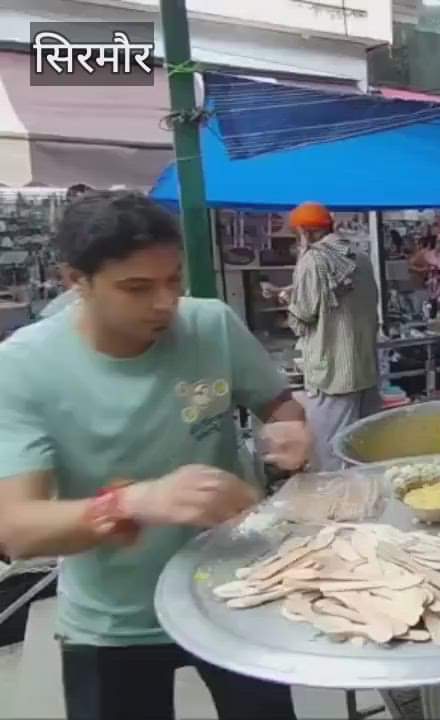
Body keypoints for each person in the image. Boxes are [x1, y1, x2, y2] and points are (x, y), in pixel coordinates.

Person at [0, 192, 310, 720]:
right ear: (76, 280)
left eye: (174, 280)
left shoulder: (211, 324)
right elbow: (16, 527)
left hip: (233, 592)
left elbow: (278, 405)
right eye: (137, 289)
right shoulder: (22, 367)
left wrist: (288, 431)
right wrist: (135, 501)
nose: (166, 303)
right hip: (112, 621)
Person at [283, 202, 381, 471]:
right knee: (365, 451)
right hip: (364, 369)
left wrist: (287, 301)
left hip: (332, 376)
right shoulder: (360, 258)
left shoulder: (312, 260)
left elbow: (301, 320)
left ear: (303, 232)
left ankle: (343, 509)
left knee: (332, 457)